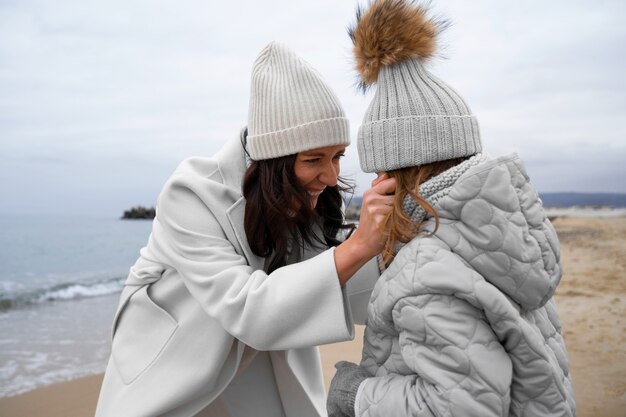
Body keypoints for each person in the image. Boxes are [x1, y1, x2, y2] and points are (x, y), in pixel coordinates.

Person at [95, 41, 396, 417]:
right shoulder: (190, 195)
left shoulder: (305, 198)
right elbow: (249, 310)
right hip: (181, 366)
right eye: (314, 159)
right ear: (274, 161)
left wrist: (393, 241)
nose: (332, 176)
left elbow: (344, 286)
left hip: (258, 364)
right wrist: (358, 246)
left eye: (337, 156)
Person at [326, 1, 576, 416]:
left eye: (381, 170)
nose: (373, 184)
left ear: (402, 174)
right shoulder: (505, 238)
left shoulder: (426, 268)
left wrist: (355, 395)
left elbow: (459, 408)